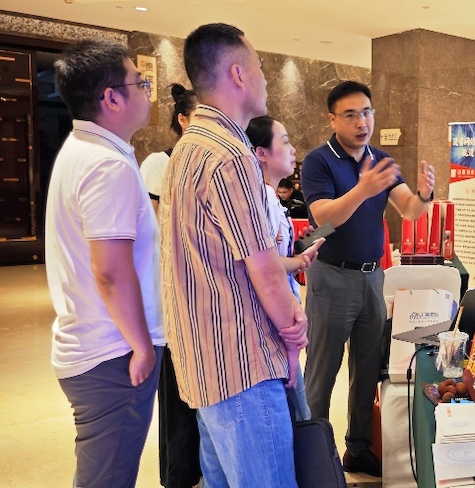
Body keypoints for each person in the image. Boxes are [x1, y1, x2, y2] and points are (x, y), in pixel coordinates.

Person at [159, 23, 307, 486]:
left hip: (204, 363)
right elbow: (263, 267)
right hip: (242, 364)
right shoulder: (231, 154)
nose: (265, 77)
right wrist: (293, 333)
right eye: (260, 66)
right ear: (239, 74)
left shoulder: (188, 147)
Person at [300, 80, 436, 477]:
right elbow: (324, 217)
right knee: (322, 372)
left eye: (367, 113)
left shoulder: (380, 159)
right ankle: (312, 457)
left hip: (373, 277)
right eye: (351, 115)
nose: (362, 122)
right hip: (331, 276)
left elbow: (408, 209)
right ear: (332, 119)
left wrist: (424, 195)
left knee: (367, 369)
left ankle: (358, 449)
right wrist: (362, 188)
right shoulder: (318, 161)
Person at [45, 39, 165, 487]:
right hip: (113, 354)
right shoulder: (105, 165)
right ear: (112, 98)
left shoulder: (84, 149)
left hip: (97, 344)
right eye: (141, 82)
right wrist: (141, 346)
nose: (148, 91)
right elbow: (110, 271)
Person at [138, 81, 202, 488]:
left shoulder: (208, 163)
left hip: (203, 293)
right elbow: (158, 231)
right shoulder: (157, 164)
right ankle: (178, 476)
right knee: (177, 394)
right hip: (172, 292)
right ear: (182, 119)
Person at [247, 115, 325, 420]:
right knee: (295, 411)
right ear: (261, 153)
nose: (293, 150)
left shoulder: (267, 195)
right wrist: (300, 260)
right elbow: (265, 264)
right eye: (285, 141)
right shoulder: (263, 196)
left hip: (278, 311)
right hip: (275, 314)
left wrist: (296, 251)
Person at [140, 83, 197, 213]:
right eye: (201, 119)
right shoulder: (157, 164)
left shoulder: (214, 165)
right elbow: (146, 222)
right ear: (183, 120)